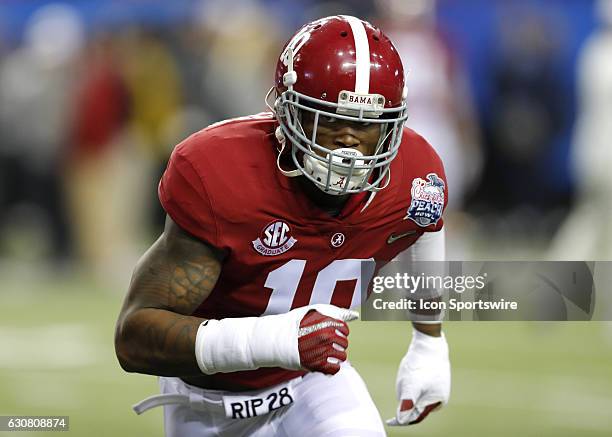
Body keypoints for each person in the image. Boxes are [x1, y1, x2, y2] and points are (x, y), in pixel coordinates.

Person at [115, 15, 451, 436]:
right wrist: (276, 339)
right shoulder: (222, 172)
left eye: (366, 125)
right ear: (287, 110)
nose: (349, 140)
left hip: (312, 384)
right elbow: (134, 338)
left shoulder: (415, 174)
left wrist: (429, 344)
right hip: (208, 401)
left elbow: (426, 226)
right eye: (328, 119)